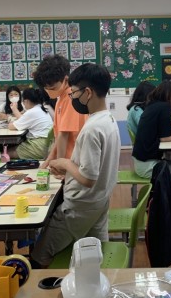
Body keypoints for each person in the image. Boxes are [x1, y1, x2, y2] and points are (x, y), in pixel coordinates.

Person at [30, 63, 120, 267]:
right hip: (99, 200)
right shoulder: (108, 120)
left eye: (75, 93)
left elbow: (88, 178)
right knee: (94, 257)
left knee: (39, 257)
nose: (72, 97)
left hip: (80, 204)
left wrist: (64, 162)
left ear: (88, 93)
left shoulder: (92, 129)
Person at [34, 55, 87, 163]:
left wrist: (59, 163)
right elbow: (58, 137)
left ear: (66, 79)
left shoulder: (70, 97)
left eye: (53, 88)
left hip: (73, 160)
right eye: (46, 89)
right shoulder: (61, 97)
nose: (49, 92)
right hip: (67, 159)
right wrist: (48, 160)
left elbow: (63, 135)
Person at [9, 88, 54, 160]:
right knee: (12, 148)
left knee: (6, 153)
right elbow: (24, 120)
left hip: (38, 146)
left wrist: (13, 111)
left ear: (26, 101)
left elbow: (11, 126)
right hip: (46, 144)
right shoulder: (41, 108)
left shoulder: (32, 111)